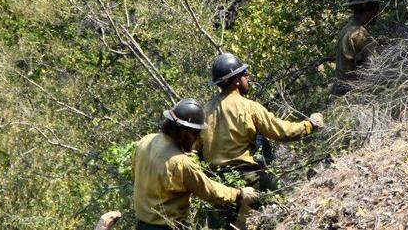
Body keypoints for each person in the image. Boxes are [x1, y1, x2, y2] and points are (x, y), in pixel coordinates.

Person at [200, 53, 322, 228]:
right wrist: (310, 125)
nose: (247, 77)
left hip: (216, 185)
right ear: (235, 80)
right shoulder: (249, 107)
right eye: (244, 74)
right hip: (248, 179)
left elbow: (194, 151)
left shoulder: (204, 112)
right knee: (290, 198)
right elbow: (281, 132)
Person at [132, 98, 257, 230]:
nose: (199, 138)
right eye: (196, 133)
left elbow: (136, 173)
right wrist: (239, 193)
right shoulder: (181, 163)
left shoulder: (145, 141)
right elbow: (209, 191)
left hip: (141, 224)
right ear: (185, 132)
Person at [334, 0, 379, 94]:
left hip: (341, 91)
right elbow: (377, 67)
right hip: (353, 94)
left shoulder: (347, 29)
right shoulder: (360, 34)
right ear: (370, 8)